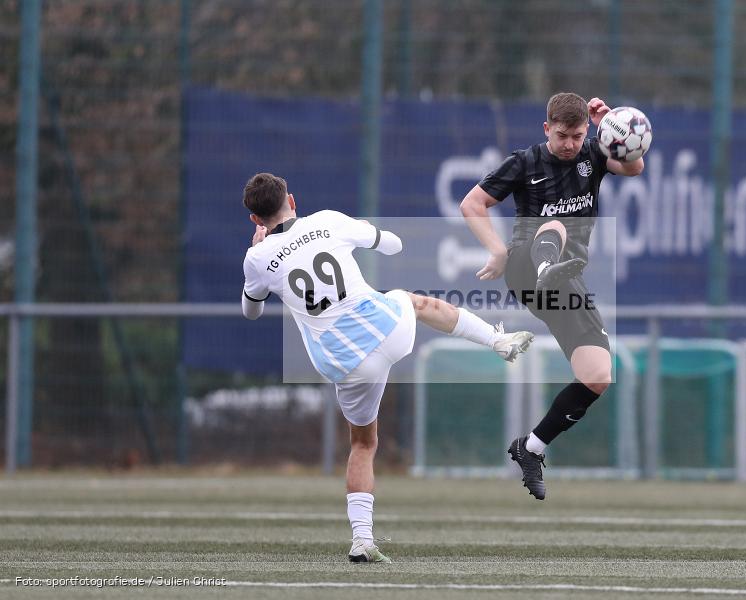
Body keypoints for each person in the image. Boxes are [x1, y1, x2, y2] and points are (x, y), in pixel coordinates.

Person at [240, 173, 534, 562]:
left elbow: (252, 311)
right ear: (292, 200)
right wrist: (362, 233)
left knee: (362, 445)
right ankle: (496, 340)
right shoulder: (327, 220)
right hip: (384, 331)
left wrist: (259, 252)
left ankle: (362, 540)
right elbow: (394, 245)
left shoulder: (256, 258)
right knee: (410, 300)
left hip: (342, 363)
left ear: (255, 220)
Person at [460, 93, 644, 500]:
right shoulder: (525, 162)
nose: (570, 144)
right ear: (547, 129)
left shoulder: (593, 153)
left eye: (578, 136)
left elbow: (633, 166)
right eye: (562, 135)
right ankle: (547, 269)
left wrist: (610, 124)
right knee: (555, 226)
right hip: (526, 268)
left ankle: (531, 448)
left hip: (566, 280)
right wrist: (495, 249)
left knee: (598, 375)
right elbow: (473, 202)